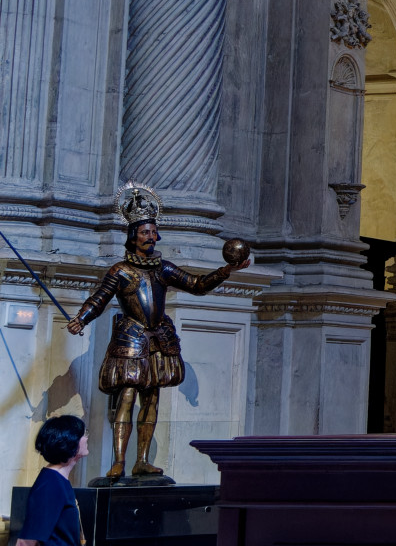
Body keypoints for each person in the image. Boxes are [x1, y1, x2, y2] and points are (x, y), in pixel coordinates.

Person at [66, 184, 250, 480]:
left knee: (152, 399)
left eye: (153, 232)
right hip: (131, 337)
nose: (150, 237)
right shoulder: (120, 271)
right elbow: (99, 299)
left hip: (159, 339)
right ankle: (118, 462)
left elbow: (197, 285)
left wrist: (225, 272)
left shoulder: (163, 268)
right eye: (144, 232)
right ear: (133, 236)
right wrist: (81, 319)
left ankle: (141, 460)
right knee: (126, 397)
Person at [16, 413, 87, 546]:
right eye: (82, 434)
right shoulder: (50, 484)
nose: (86, 438)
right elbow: (25, 541)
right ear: (71, 441)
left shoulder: (58, 480)